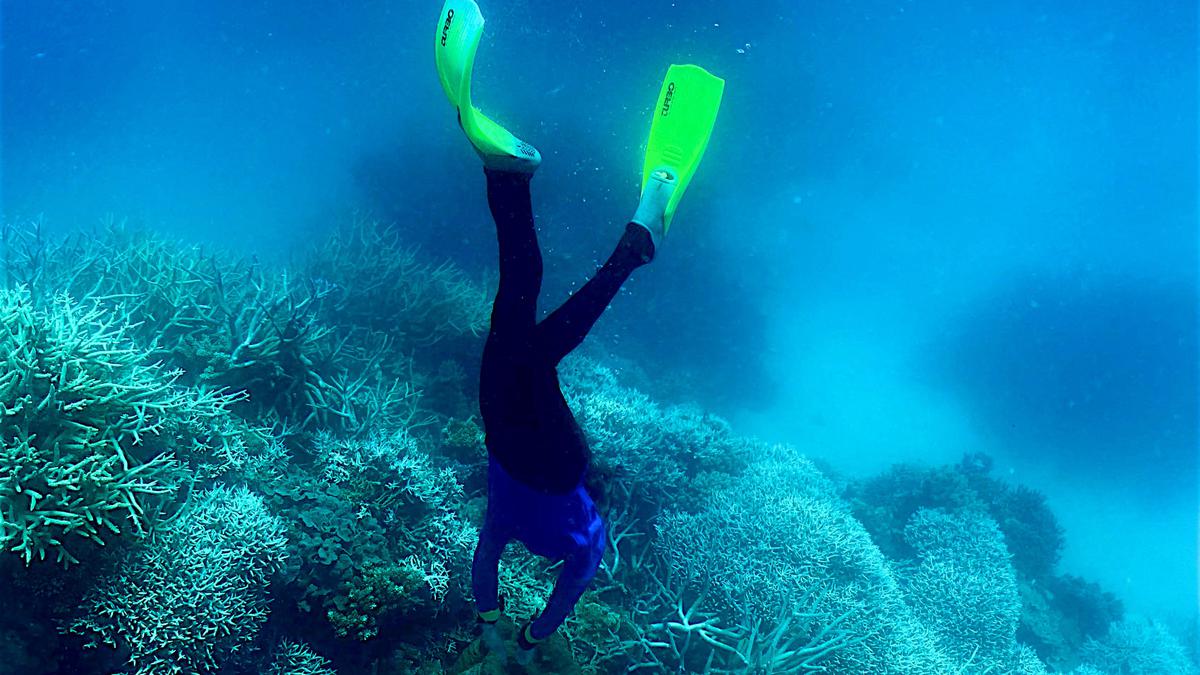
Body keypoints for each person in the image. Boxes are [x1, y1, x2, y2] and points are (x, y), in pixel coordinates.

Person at [434, 0, 723, 665]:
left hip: (552, 459)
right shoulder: (507, 522)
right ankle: (508, 178)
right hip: (501, 433)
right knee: (517, 304)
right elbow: (485, 562)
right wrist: (498, 626)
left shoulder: (587, 538)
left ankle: (633, 243)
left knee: (539, 347)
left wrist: (534, 635)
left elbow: (569, 593)